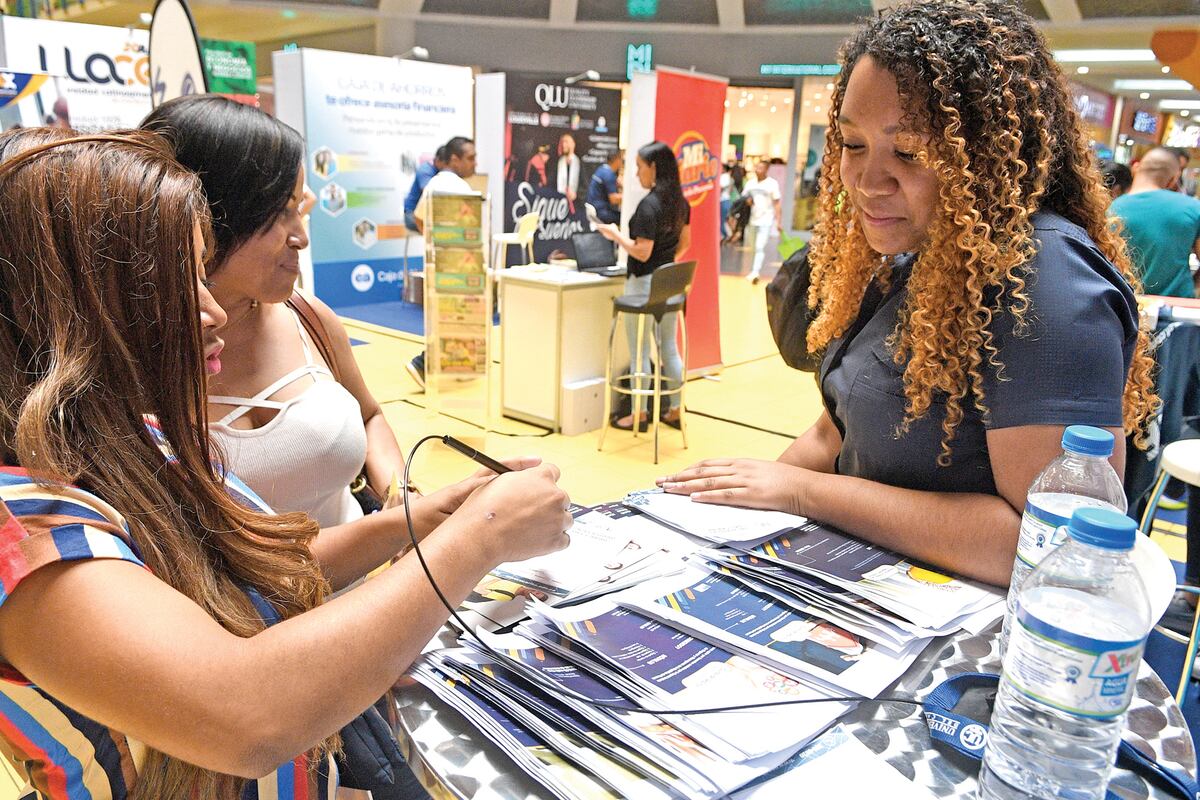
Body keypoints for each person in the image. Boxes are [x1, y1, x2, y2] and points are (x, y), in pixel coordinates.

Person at [0, 127, 572, 799]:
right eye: (186, 282)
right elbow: (247, 715)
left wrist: (422, 520)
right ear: (87, 304)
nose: (213, 312)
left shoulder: (132, 439)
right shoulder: (31, 535)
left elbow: (254, 567)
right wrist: (482, 536)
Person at [655, 0, 1157, 587]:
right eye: (852, 144)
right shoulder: (929, 254)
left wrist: (803, 493)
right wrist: (729, 522)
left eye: (911, 152)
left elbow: (1048, 546)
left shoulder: (1042, 279)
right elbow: (839, 427)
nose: (868, 180)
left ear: (989, 155)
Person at [141, 96, 405, 533]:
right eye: (281, 214)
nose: (301, 237)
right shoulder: (125, 365)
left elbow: (368, 415)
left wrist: (401, 495)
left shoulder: (308, 317)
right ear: (210, 215)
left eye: (299, 209)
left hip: (370, 590)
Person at [597, 141, 692, 431]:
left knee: (640, 351)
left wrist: (615, 236)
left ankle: (638, 414)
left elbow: (641, 252)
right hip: (669, 284)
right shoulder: (680, 202)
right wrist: (664, 265)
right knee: (669, 349)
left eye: (639, 167)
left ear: (653, 167)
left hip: (643, 285)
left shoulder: (648, 206)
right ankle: (676, 410)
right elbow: (685, 243)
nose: (636, 173)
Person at [406, 135, 477, 389]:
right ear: (454, 159)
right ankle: (423, 363)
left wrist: (434, 246)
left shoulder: (438, 183)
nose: (474, 163)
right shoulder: (453, 185)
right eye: (470, 158)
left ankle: (455, 363)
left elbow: (419, 217)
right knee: (456, 316)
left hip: (446, 260)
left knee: (455, 316)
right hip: (459, 263)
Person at [1110, 146, 1200, 298]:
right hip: (1175, 306)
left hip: (1124, 304)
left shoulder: (1110, 208)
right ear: (1173, 179)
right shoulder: (1193, 208)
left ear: (1135, 168)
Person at [743, 159, 782, 284]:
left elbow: (777, 204)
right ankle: (752, 270)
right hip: (752, 219)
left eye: (761, 167)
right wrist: (747, 201)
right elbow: (743, 199)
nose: (758, 170)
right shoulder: (750, 183)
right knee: (754, 247)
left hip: (766, 220)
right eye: (757, 167)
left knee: (760, 247)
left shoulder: (772, 184)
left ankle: (755, 271)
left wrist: (778, 221)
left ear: (766, 169)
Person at [404, 147, 445, 232]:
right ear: (438, 160)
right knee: (442, 230)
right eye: (445, 163)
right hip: (412, 214)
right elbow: (429, 194)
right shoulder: (425, 170)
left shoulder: (439, 170)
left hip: (423, 214)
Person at [587, 150, 623, 225]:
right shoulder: (609, 174)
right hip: (601, 212)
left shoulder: (602, 169)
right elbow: (614, 199)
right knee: (626, 218)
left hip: (594, 208)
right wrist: (629, 197)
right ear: (617, 160)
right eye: (621, 159)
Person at [556, 132, 581, 205]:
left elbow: (585, 185)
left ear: (573, 144)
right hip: (559, 204)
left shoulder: (579, 162)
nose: (563, 145)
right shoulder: (558, 162)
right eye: (563, 142)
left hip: (576, 204)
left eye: (566, 142)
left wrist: (576, 194)